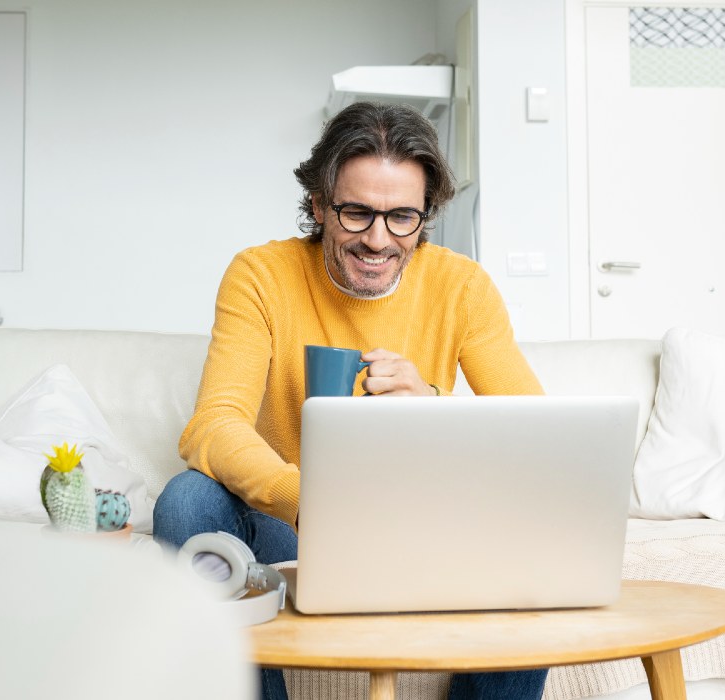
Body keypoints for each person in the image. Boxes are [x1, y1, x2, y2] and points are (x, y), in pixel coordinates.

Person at [154, 101, 547, 700]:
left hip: (421, 528)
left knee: (529, 537)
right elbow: (213, 426)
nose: (377, 239)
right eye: (357, 212)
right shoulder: (261, 275)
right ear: (319, 204)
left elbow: (534, 436)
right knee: (187, 500)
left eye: (401, 218)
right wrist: (306, 498)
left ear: (425, 216)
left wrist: (434, 408)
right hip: (295, 528)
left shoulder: (462, 287)